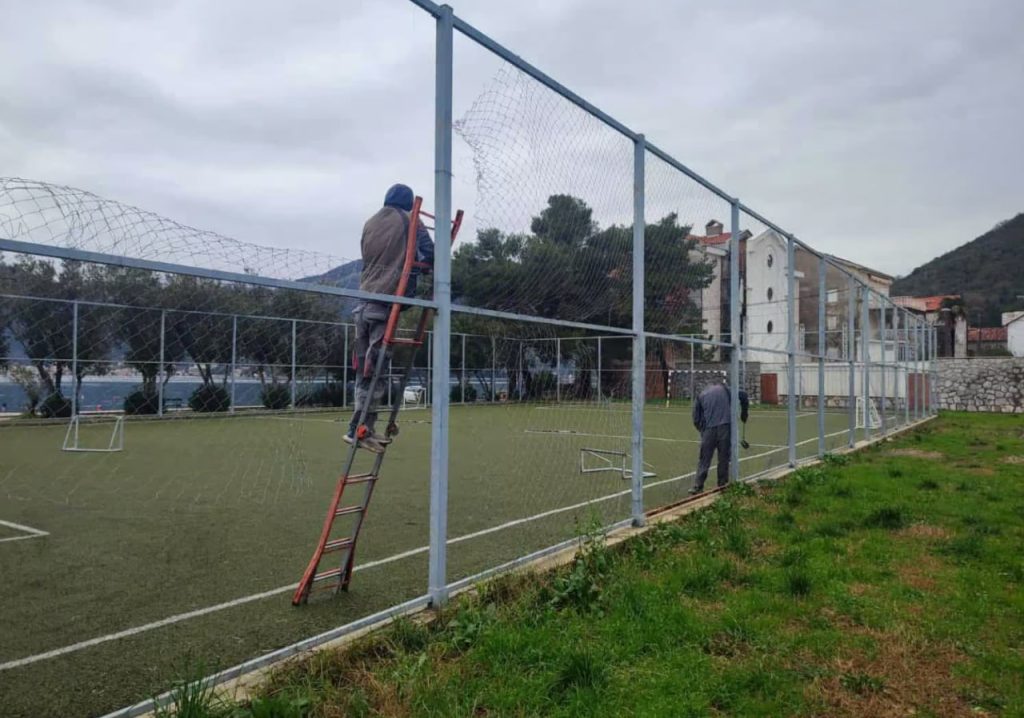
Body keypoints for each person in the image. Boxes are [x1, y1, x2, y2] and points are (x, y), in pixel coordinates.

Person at [345, 184, 434, 453]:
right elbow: (429, 251)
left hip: (363, 303)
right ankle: (358, 430)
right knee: (377, 371)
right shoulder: (409, 218)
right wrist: (431, 269)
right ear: (408, 204)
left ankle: (362, 428)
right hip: (386, 302)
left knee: (365, 369)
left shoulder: (370, 222)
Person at [689, 380, 749, 495]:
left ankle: (698, 486)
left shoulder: (701, 395)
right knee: (724, 458)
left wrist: (703, 430)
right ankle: (722, 485)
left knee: (704, 459)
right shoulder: (726, 390)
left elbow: (696, 418)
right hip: (725, 427)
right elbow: (744, 395)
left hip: (708, 429)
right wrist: (744, 414)